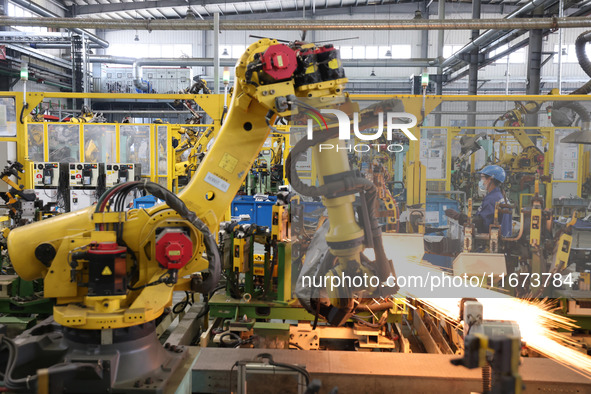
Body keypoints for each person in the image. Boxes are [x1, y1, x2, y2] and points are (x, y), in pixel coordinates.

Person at [446, 165, 512, 237]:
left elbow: (482, 222)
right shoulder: (500, 196)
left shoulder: (492, 199)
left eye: (482, 178)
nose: (481, 181)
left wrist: (459, 217)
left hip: (491, 241)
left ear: (490, 179)